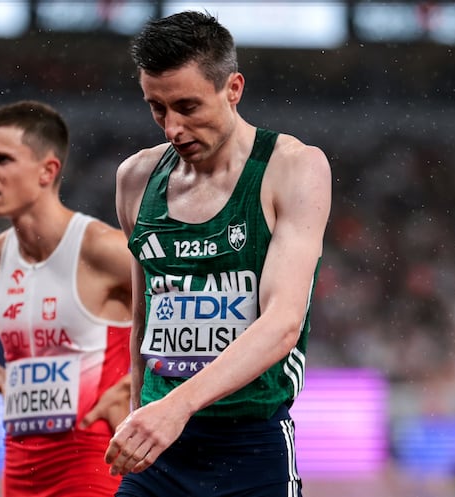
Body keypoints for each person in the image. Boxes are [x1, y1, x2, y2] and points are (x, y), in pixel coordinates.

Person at [104, 11, 332, 497]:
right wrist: (141, 413)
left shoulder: (293, 168)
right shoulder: (135, 179)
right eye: (157, 108)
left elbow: (282, 324)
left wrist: (176, 407)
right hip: (160, 449)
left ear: (233, 88)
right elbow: (144, 318)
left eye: (188, 106)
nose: (172, 127)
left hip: (251, 447)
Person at [0, 100, 133, 497]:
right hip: (21, 471)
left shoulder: (102, 249)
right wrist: (0, 380)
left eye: (2, 159)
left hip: (96, 466)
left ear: (47, 171)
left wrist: (134, 385)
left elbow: (189, 317)